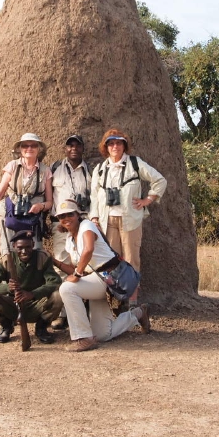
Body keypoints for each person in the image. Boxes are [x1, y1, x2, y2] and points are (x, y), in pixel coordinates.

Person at [52, 199, 150, 352]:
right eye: (62, 216)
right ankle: (138, 313)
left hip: (109, 277)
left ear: (78, 214)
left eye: (70, 214)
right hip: (94, 282)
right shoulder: (69, 240)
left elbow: (88, 249)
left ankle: (83, 338)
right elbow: (74, 269)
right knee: (103, 334)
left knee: (67, 288)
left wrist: (77, 274)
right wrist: (54, 261)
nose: (66, 218)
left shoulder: (87, 225)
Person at [89, 128, 166, 307]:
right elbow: (94, 196)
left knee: (131, 260)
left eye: (119, 143)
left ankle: (132, 302)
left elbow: (160, 180)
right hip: (107, 221)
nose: (115, 146)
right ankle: (115, 302)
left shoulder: (135, 164)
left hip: (130, 220)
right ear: (106, 147)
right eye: (111, 143)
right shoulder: (100, 169)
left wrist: (148, 200)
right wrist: (94, 219)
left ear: (124, 145)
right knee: (111, 263)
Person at [0, 231, 63, 344]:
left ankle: (41, 327)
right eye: (20, 248)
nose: (24, 251)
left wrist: (33, 294)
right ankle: (6, 325)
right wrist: (8, 288)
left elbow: (55, 282)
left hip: (37, 303)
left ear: (33, 245)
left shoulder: (42, 257)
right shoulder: (6, 260)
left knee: (59, 296)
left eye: (28, 247)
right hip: (13, 304)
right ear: (14, 246)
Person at [49, 134, 91, 331]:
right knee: (61, 264)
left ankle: (86, 309)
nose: (73, 148)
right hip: (61, 224)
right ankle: (63, 313)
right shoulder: (55, 168)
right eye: (70, 145)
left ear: (83, 148)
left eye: (77, 145)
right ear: (65, 149)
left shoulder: (91, 171)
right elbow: (47, 195)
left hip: (82, 223)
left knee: (86, 264)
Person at [0, 133, 54, 255]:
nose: (29, 148)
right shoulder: (12, 166)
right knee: (8, 253)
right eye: (25, 145)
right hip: (11, 216)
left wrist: (40, 206)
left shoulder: (45, 170)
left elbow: (50, 202)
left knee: (35, 253)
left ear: (39, 148)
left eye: (33, 145)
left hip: (33, 219)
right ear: (20, 149)